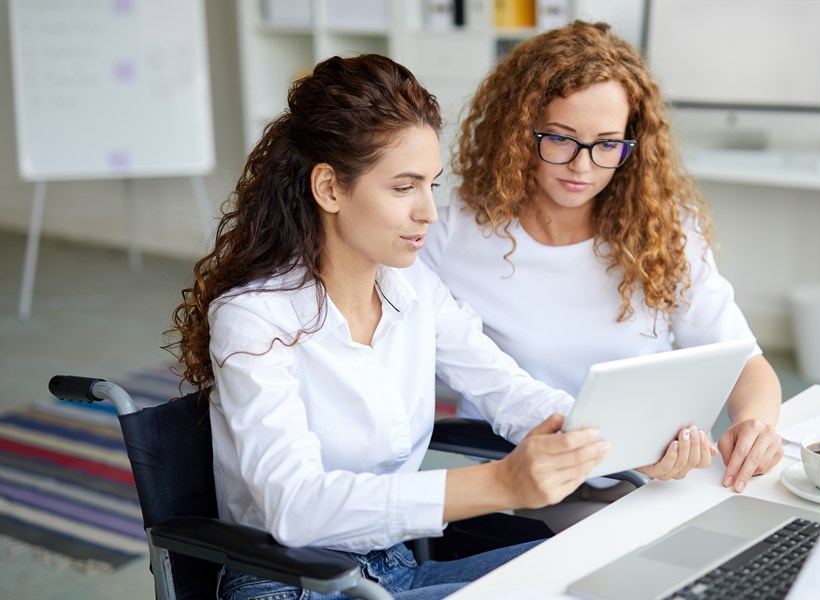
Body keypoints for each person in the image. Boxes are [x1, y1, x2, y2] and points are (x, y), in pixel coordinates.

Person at [167, 54, 613, 600]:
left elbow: (506, 389)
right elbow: (295, 507)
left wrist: (618, 436)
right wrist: (500, 484)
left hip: (392, 568)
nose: (429, 211)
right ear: (329, 189)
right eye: (404, 187)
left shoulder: (414, 288)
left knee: (605, 569)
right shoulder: (254, 318)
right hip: (292, 585)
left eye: (432, 184)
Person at [422, 21, 785, 531]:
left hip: (656, 480)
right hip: (529, 490)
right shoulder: (450, 234)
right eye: (561, 140)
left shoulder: (665, 229)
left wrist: (755, 426)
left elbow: (745, 362)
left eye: (607, 144)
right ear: (518, 131)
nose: (583, 167)